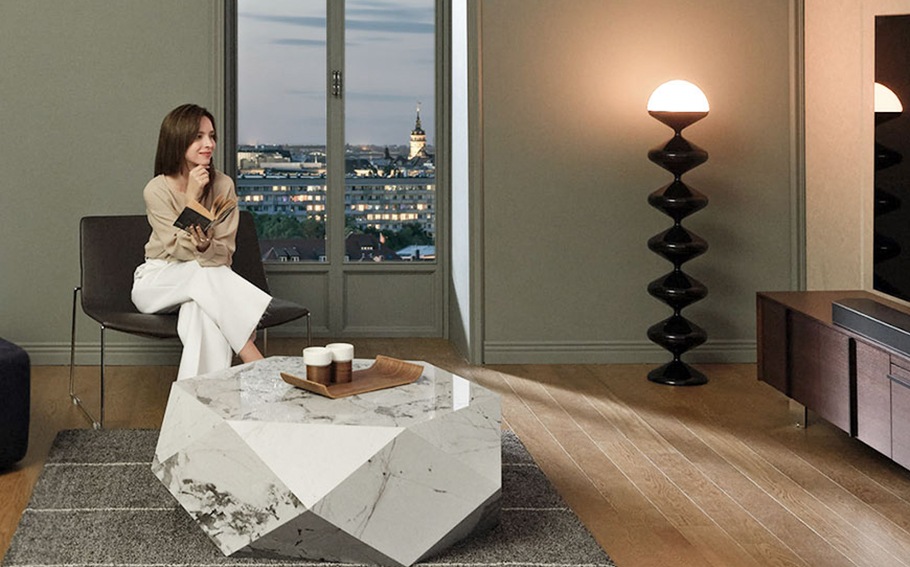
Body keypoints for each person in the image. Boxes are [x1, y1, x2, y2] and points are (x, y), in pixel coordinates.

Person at [131, 103, 271, 380]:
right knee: (202, 273)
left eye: (212, 136)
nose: (208, 144)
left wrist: (206, 248)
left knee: (203, 317)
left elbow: (225, 253)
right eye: (198, 137)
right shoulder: (156, 190)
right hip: (157, 281)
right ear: (177, 139)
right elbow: (175, 248)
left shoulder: (224, 185)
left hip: (207, 283)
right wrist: (192, 198)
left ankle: (199, 412)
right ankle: (246, 345)